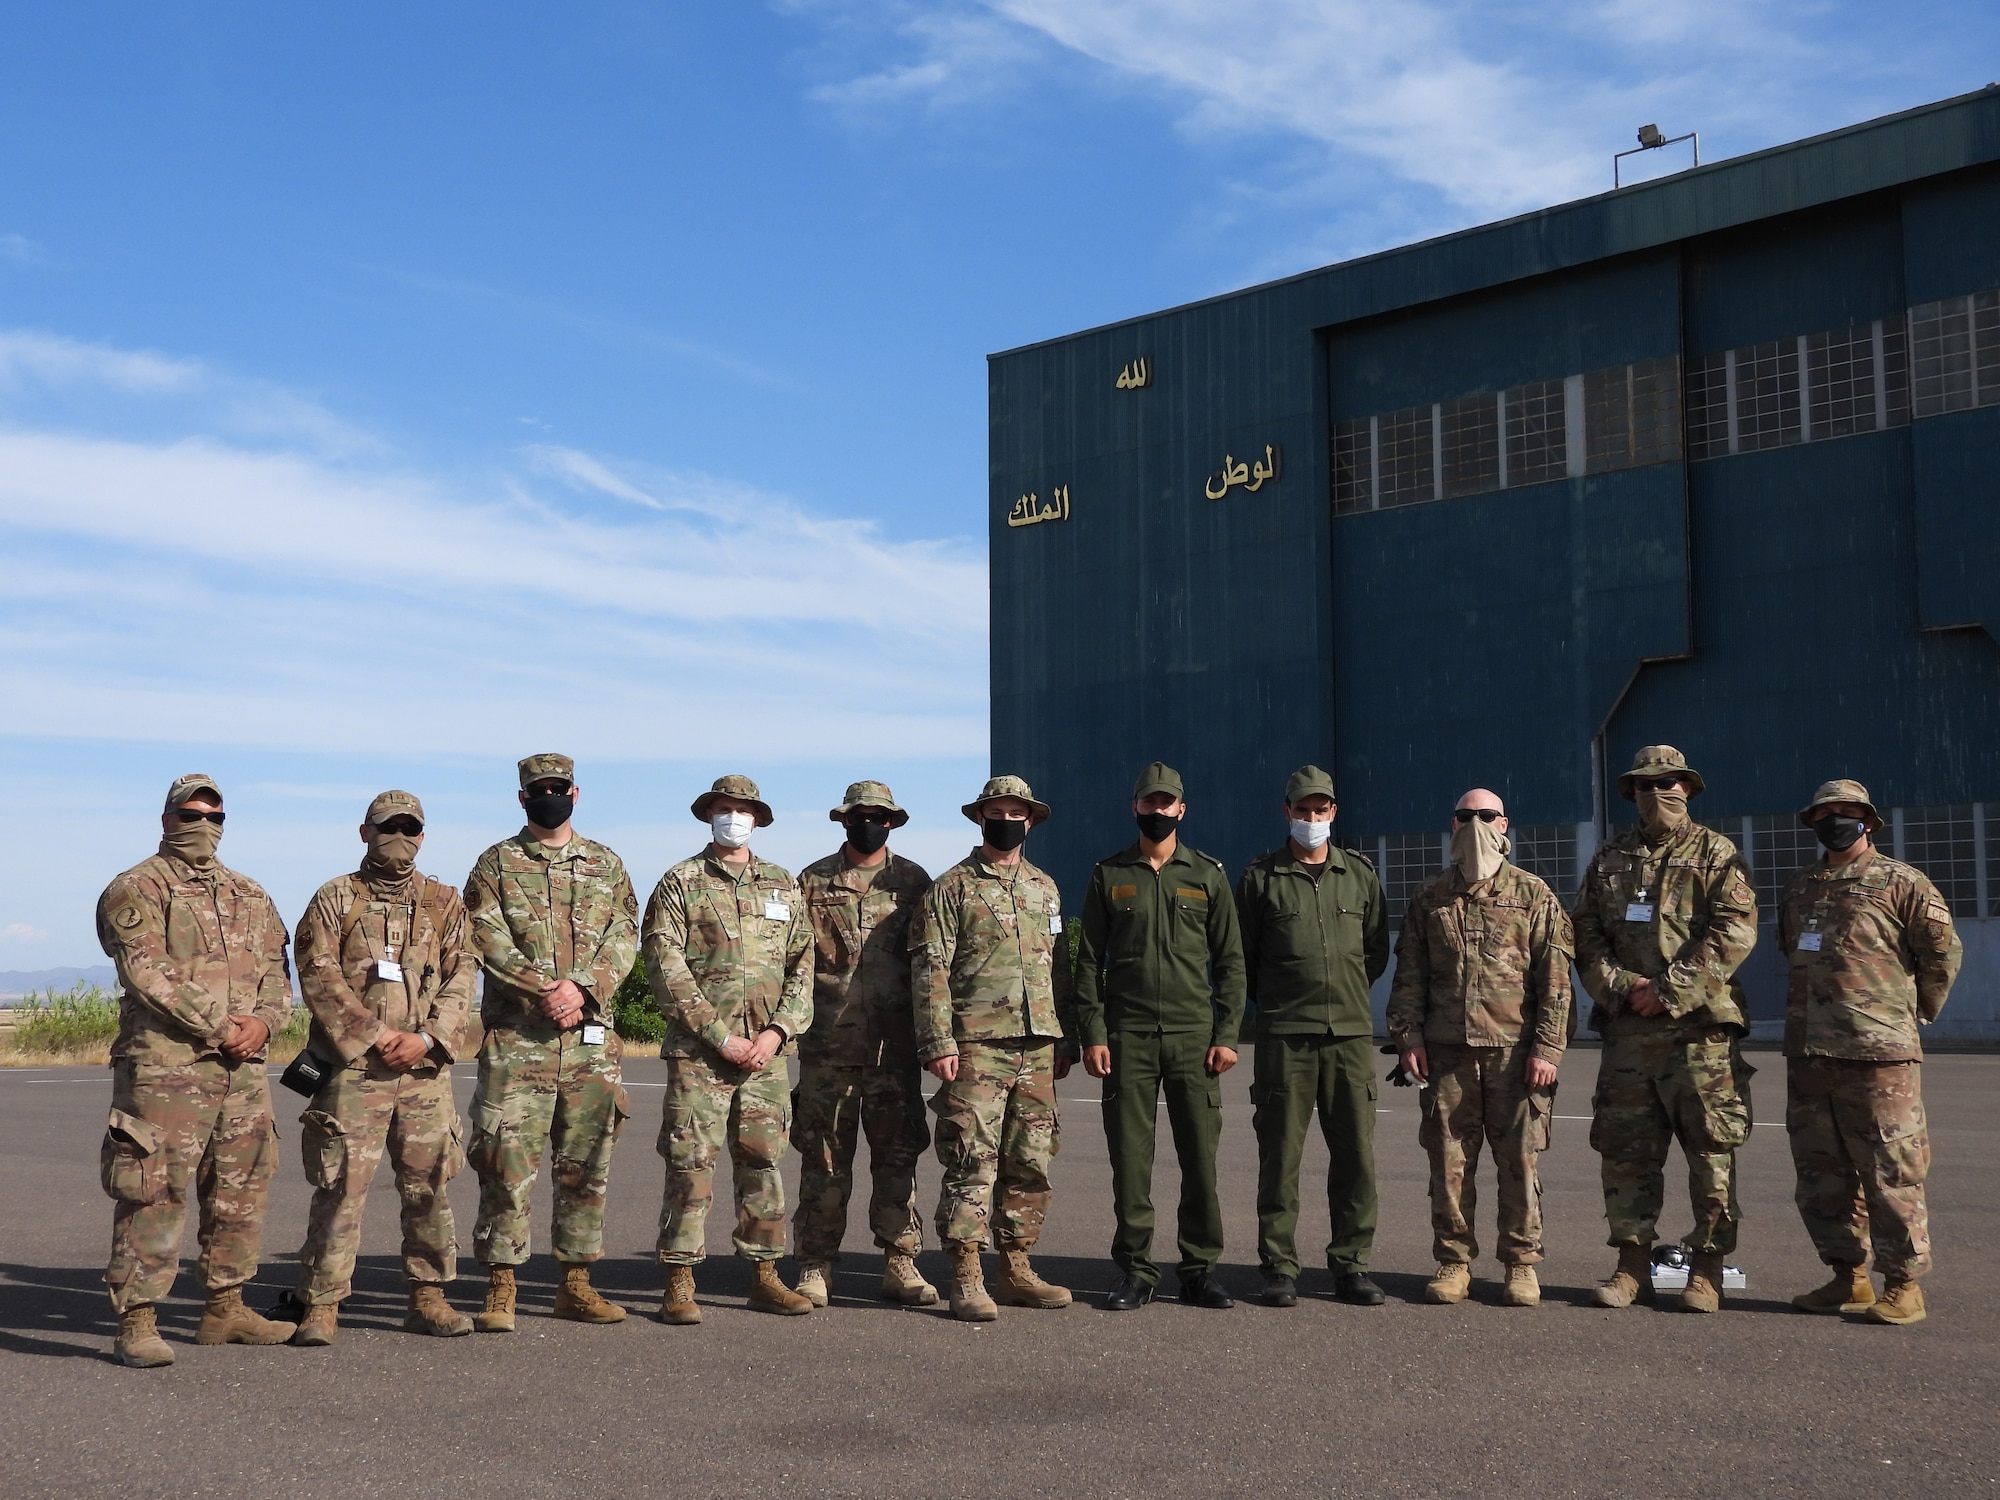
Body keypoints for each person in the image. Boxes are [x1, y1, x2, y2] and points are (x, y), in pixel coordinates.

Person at [94, 773, 298, 1367]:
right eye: (191, 814)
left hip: (242, 1071)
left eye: (215, 816)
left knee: (241, 1189)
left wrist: (264, 1022)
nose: (203, 826)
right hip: (166, 1070)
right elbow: (146, 970)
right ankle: (137, 1321)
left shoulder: (250, 894)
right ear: (167, 819)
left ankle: (225, 1309)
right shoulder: (135, 887)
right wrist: (220, 1026)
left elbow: (274, 972)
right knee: (151, 1190)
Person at [1573, 745, 1758, 1314]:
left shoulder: (1716, 853)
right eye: (1649, 785)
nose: (1663, 794)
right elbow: (1585, 933)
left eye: (1674, 784)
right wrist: (1625, 986)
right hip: (1629, 1032)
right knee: (1627, 1154)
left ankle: (1706, 1270)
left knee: (1711, 1154)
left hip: (1700, 1036)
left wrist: (1669, 990)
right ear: (1632, 793)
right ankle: (1631, 1267)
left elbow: (1734, 931)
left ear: (1690, 790)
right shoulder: (1609, 857)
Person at [288, 790, 477, 1345]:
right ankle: (322, 1302)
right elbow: (318, 975)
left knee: (429, 1186)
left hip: (423, 1075)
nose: (400, 836)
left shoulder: (445, 901)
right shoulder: (334, 898)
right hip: (353, 1074)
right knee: (340, 1185)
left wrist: (429, 1038)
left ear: (423, 835)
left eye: (410, 828)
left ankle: (428, 1296)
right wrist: (375, 1036)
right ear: (364, 832)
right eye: (387, 826)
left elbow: (462, 974)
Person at [462, 753, 638, 1331]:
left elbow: (624, 934)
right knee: (506, 1163)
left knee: (586, 1166)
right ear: (522, 796)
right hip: (520, 1041)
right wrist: (544, 989)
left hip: (590, 1044)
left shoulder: (606, 864)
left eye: (559, 787)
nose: (550, 795)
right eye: (539, 788)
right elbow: (484, 934)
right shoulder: (496, 863)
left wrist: (583, 988)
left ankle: (575, 1285)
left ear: (576, 792)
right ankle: (500, 1287)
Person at [1779, 779, 1961, 1326]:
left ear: (1868, 820)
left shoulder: (1901, 882)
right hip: (1811, 1053)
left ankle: (1904, 1284)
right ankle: (1848, 1276)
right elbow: (1791, 949)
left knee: (1890, 1171)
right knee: (1821, 1174)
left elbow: (1941, 955)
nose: (1835, 819)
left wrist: (1909, 1016)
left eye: (1847, 811)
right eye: (1826, 812)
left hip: (1879, 1054)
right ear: (1813, 822)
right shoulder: (1802, 887)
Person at [1386, 788, 1573, 1309]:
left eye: (1485, 816)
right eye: (1466, 817)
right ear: (1452, 825)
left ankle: (1520, 1264)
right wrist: (1409, 1039)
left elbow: (1556, 983)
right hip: (1447, 1055)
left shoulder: (1534, 895)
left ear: (1504, 824)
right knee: (1448, 1161)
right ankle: (1454, 1260)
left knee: (1519, 1161)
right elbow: (1410, 977)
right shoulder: (1430, 898)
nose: (1476, 825)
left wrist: (1548, 1050)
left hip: (1516, 1055)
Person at [644, 774, 816, 1322]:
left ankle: (765, 1275)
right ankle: (679, 1281)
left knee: (764, 1163)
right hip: (701, 1055)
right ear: (708, 815)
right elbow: (664, 965)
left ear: (758, 819)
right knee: (690, 1164)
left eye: (743, 810)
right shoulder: (681, 881)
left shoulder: (784, 886)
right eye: (724, 808)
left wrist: (776, 1033)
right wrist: (721, 1036)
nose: (733, 817)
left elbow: (803, 967)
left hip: (765, 1057)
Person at [1075, 761, 1245, 1311]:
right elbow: (1086, 961)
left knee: (1199, 1158)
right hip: (1127, 1038)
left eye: (1166, 803)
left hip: (1195, 1039)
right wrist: (1093, 1031)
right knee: (1131, 1159)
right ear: (1136, 808)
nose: (1157, 811)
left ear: (1181, 809)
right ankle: (1136, 1271)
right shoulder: (1108, 874)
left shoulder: (1208, 875)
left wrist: (1227, 1033)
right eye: (1148, 803)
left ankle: (1199, 1271)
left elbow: (1232, 963)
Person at [909, 775, 1078, 1321]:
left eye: (1016, 813)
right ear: (981, 819)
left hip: (1037, 1045)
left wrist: (1065, 1036)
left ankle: (1016, 1265)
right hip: (975, 1045)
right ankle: (965, 1271)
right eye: (996, 812)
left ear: (1030, 821)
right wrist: (938, 1040)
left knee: (1031, 1159)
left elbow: (1061, 970)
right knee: (970, 1158)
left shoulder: (1044, 888)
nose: (1006, 821)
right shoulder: (951, 888)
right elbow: (930, 968)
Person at [1235, 765, 1389, 1308]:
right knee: (1280, 1156)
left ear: (1333, 813)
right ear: (1287, 812)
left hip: (1348, 1035)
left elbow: (1374, 952)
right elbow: (1243, 958)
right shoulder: (1259, 879)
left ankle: (1351, 1265)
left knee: (1356, 1157)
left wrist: (1342, 995)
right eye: (1302, 810)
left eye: (1320, 810)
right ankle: (1278, 1266)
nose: (1311, 819)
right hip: (1285, 1037)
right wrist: (1283, 1001)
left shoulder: (1361, 876)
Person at [789, 781, 937, 1308]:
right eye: (859, 816)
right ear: (844, 821)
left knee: (897, 1159)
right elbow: (793, 963)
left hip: (894, 1049)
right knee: (823, 1161)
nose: (868, 823)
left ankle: (900, 1262)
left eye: (878, 816)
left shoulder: (915, 882)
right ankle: (815, 1263)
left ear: (892, 821)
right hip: (827, 1047)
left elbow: (931, 963)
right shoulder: (811, 882)